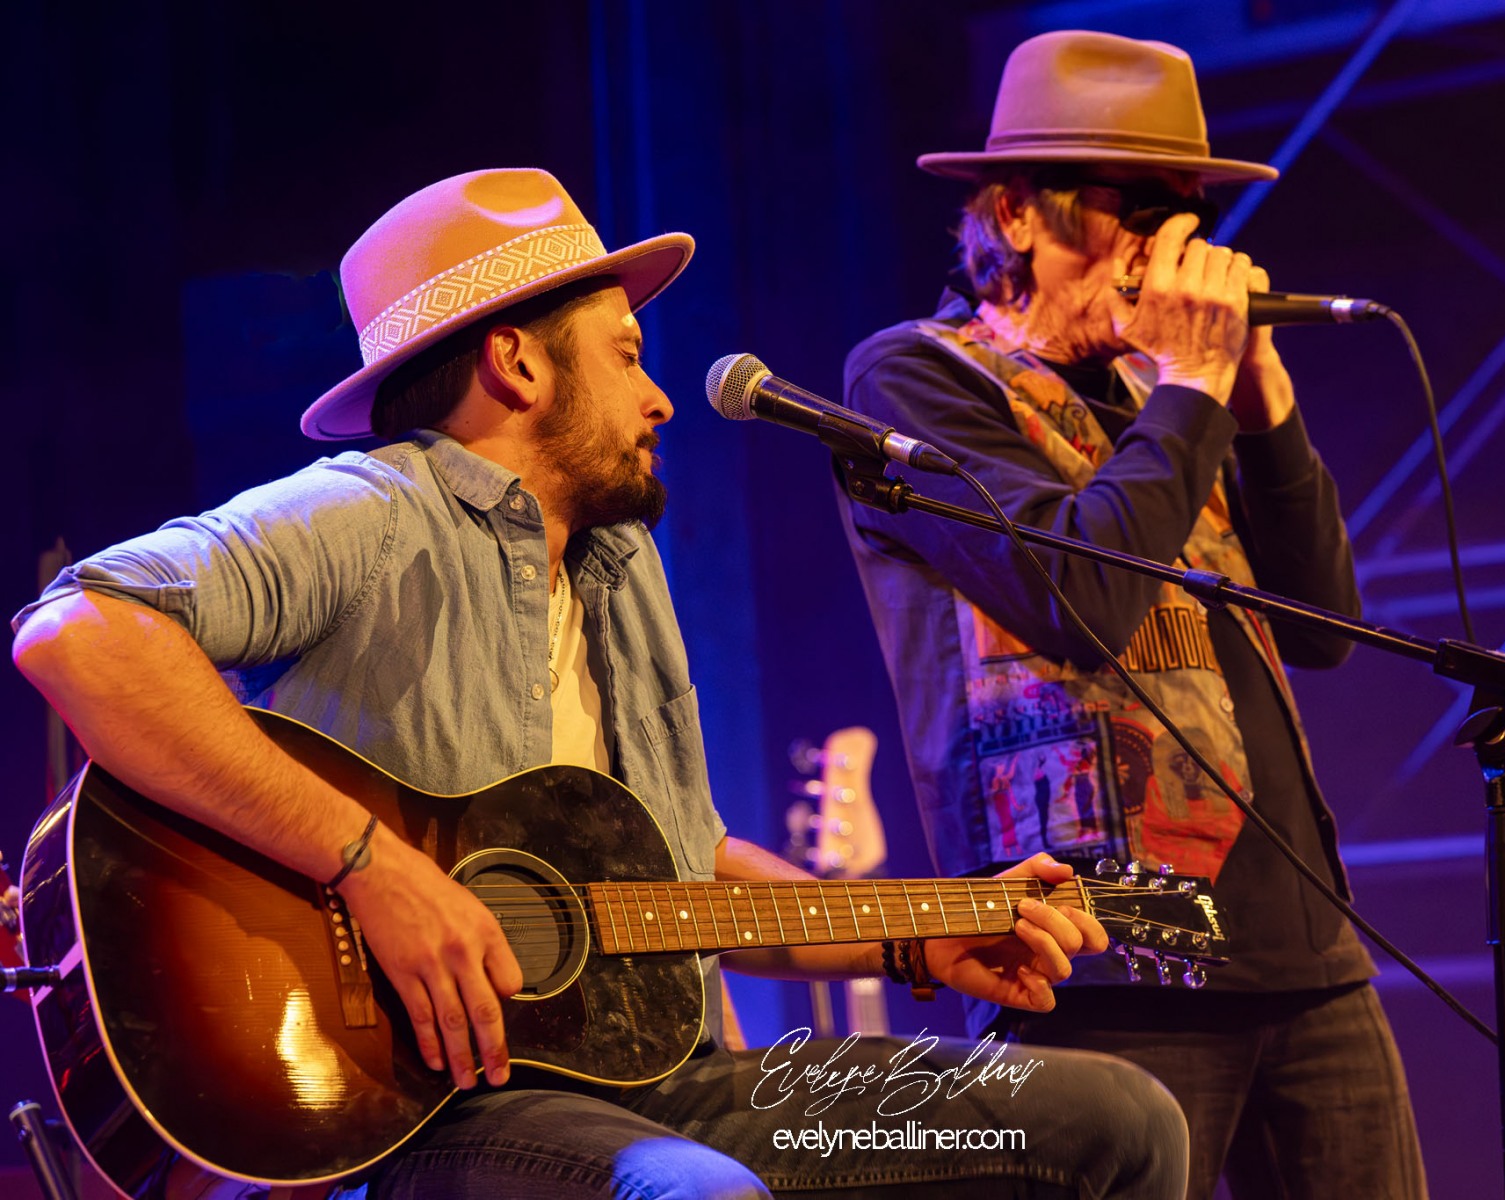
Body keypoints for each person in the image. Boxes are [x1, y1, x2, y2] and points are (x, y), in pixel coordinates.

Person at [11, 168, 1186, 1198]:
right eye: (626, 355)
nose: (660, 397)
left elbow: (681, 876)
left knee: (1116, 1121)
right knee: (693, 1193)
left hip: (664, 1085)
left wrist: (915, 936)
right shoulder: (372, 511)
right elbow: (76, 631)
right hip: (428, 1107)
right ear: (518, 363)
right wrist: (372, 866)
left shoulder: (624, 564)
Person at [836, 31, 1427, 1198]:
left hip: (1305, 954)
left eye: (1183, 214)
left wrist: (1261, 403)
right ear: (1016, 214)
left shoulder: (1168, 398)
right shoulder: (914, 380)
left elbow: (1321, 627)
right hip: (1103, 956)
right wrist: (1196, 390)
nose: (1166, 248)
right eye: (1131, 209)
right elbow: (1082, 596)